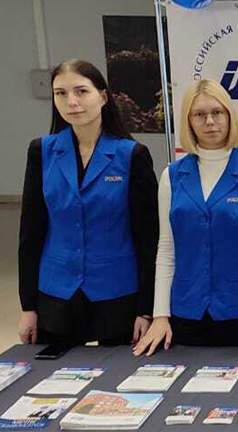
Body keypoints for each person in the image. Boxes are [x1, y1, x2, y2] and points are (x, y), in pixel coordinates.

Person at [18, 60, 158, 347]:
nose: (71, 102)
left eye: (81, 91)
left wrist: (146, 309)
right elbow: (31, 234)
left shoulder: (132, 155)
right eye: (61, 93)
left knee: (120, 371)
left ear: (103, 96)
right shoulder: (42, 152)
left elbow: (148, 239)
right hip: (57, 292)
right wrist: (28, 307)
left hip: (116, 292)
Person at [133, 79, 238, 357]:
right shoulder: (171, 176)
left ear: (229, 116)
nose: (210, 121)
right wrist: (160, 315)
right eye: (199, 114)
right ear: (188, 121)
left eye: (217, 112)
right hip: (185, 313)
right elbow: (166, 250)